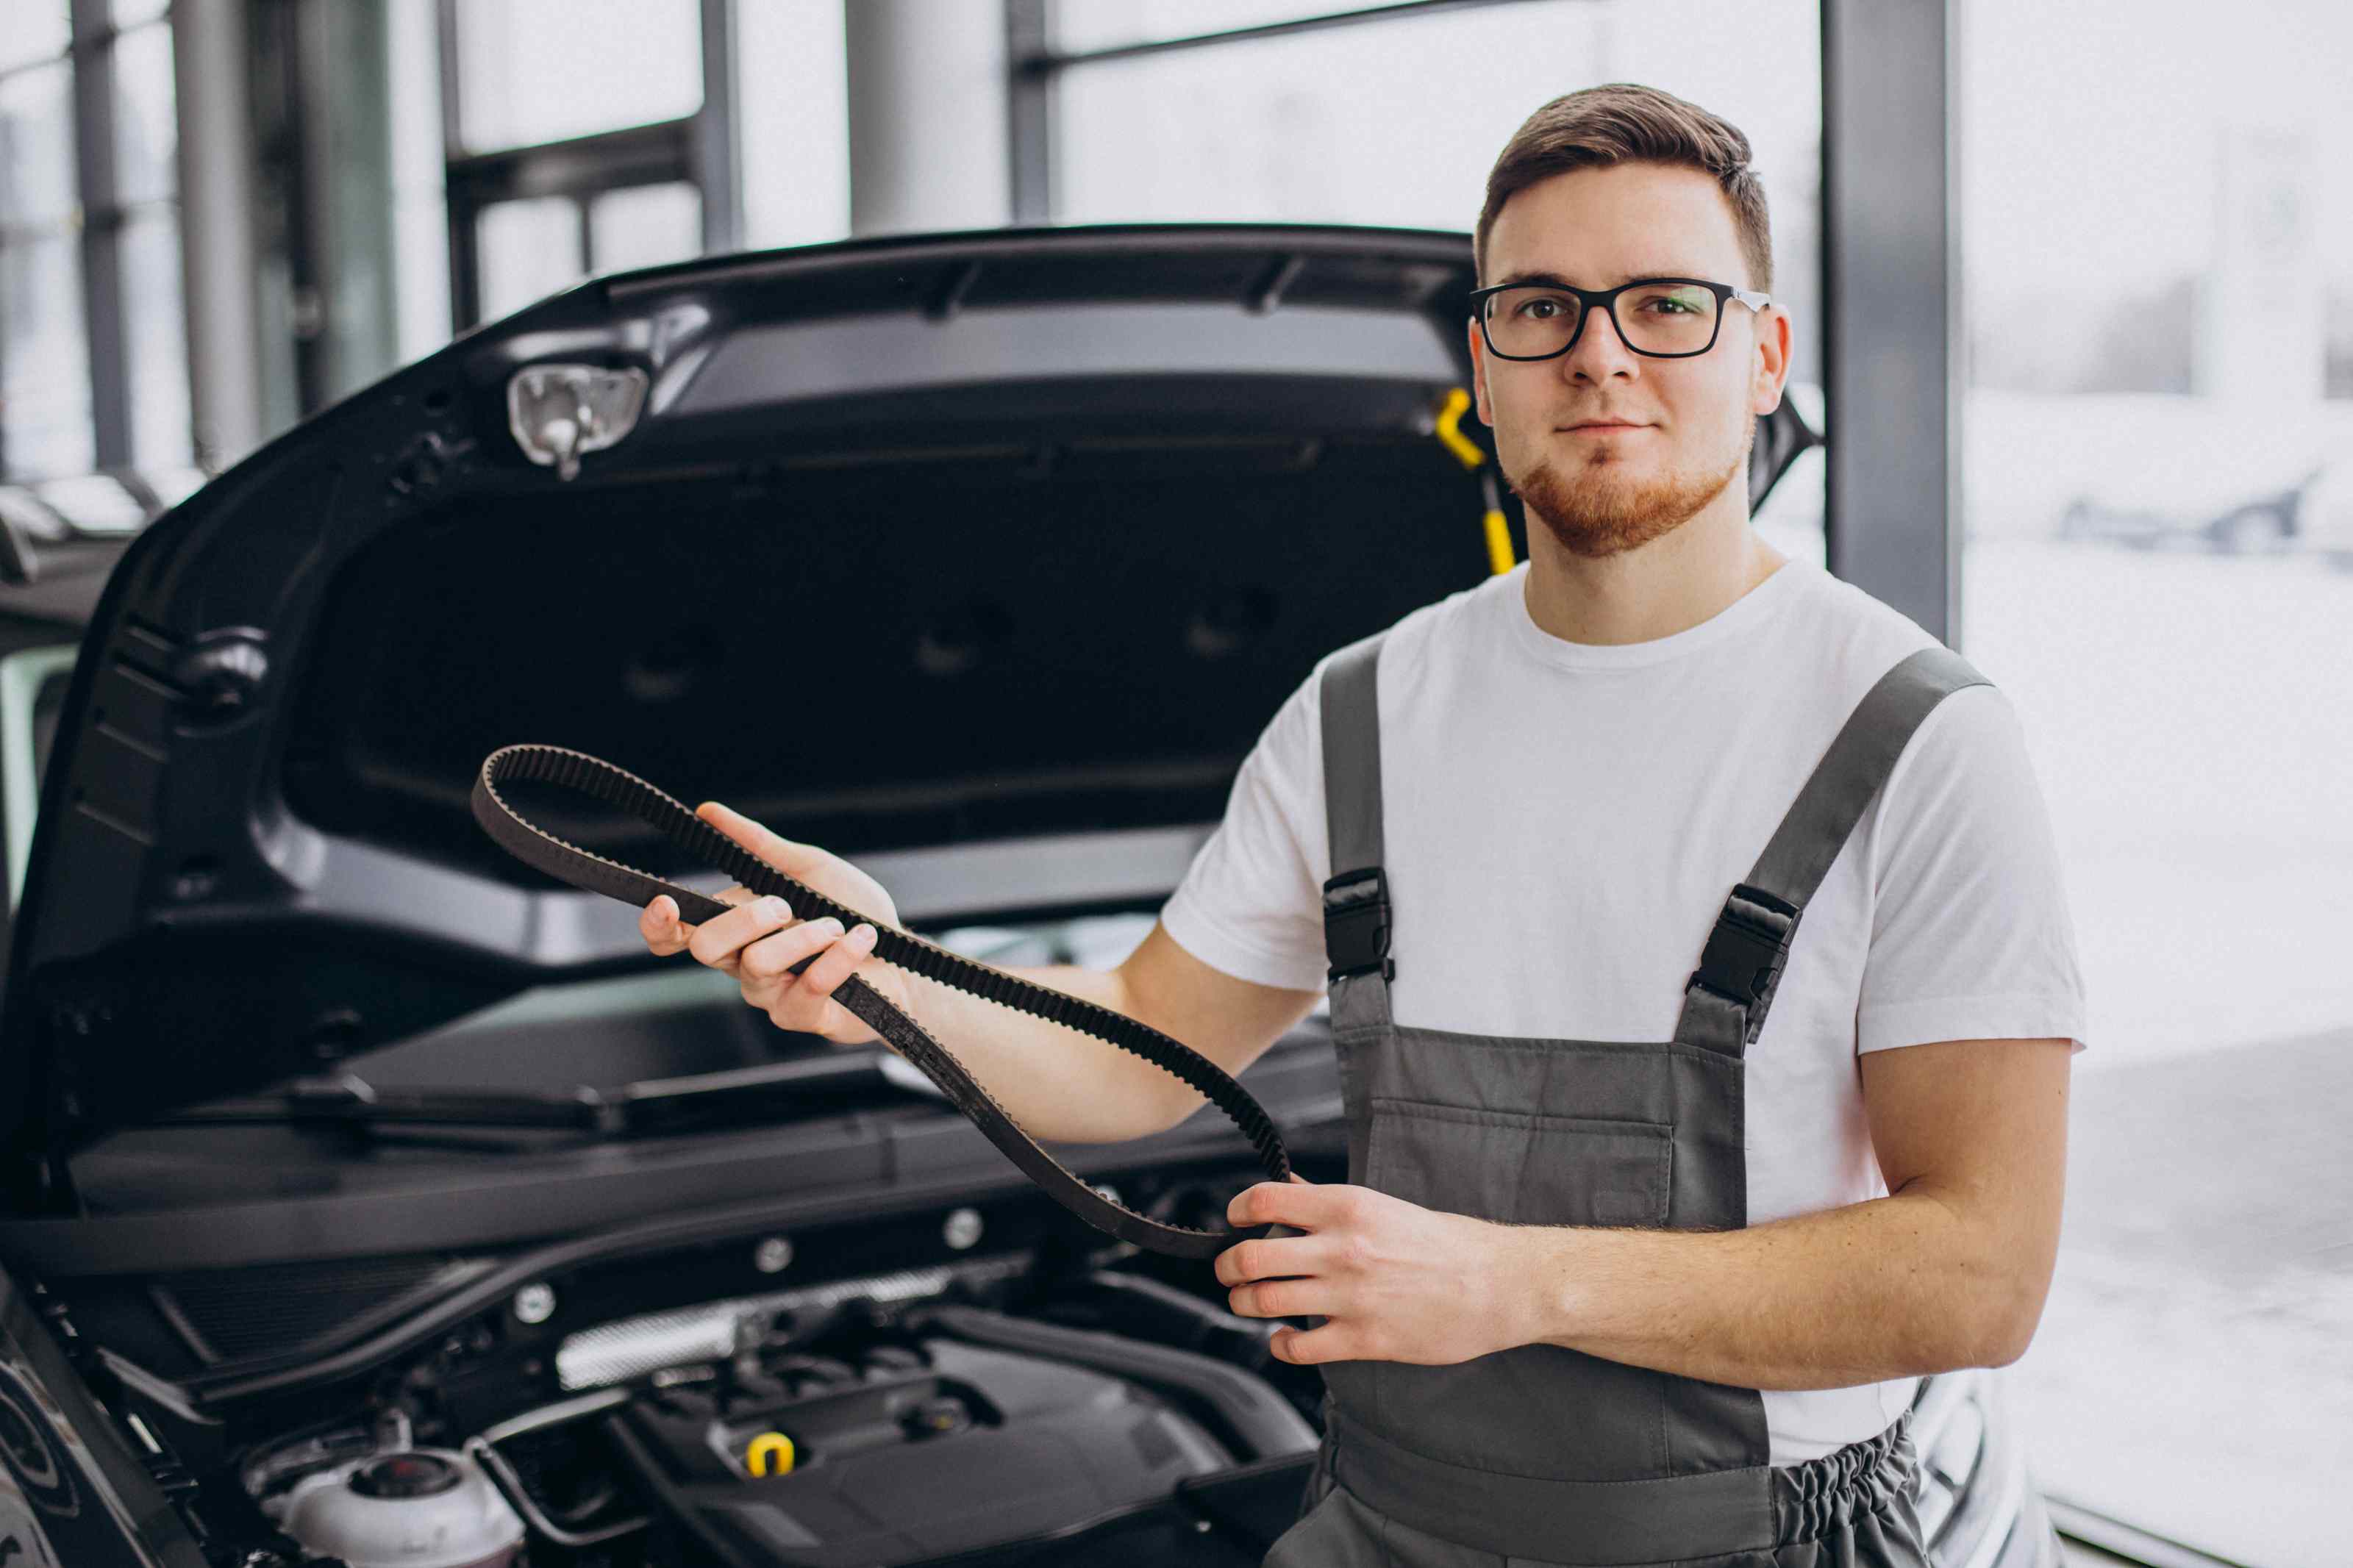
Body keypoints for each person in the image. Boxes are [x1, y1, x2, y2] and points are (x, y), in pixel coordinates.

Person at [638, 82, 2086, 1568]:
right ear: (1484, 358)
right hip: (1386, 1523)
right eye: (1540, 306)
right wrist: (889, 974)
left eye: (1665, 303)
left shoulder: (1916, 739)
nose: (1598, 355)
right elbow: (1143, 1039)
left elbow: (1977, 1273)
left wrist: (1515, 1284)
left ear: (1766, 350)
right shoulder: (1363, 712)